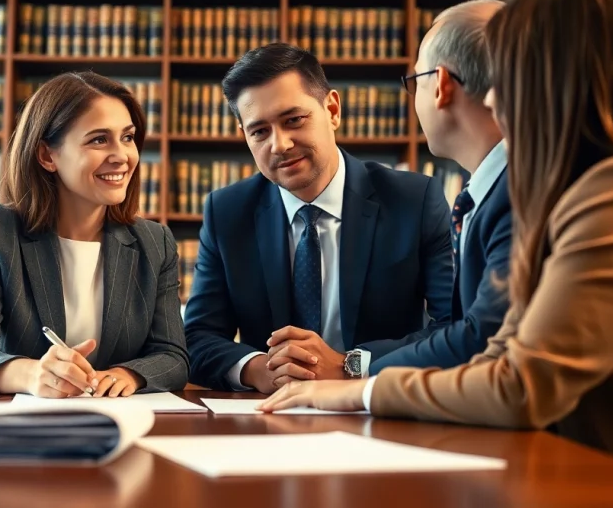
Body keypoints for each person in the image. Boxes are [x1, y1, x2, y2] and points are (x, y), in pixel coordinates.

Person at [258, 0, 613, 489]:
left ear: (559, 79)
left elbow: (519, 385)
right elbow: (501, 353)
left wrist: (352, 388)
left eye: (509, 77)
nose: (494, 101)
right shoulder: (590, 189)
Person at [183, 43, 455, 393]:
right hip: (269, 414)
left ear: (332, 110)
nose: (279, 144)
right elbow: (197, 337)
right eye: (260, 131)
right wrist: (257, 368)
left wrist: (350, 366)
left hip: (378, 403)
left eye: (293, 120)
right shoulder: (227, 212)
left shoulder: (413, 201)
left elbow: (453, 327)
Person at [0, 71, 189, 398]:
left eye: (128, 137)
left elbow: (173, 357)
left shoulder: (155, 243)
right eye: (99, 139)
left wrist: (128, 374)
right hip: (21, 427)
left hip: (120, 421)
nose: (122, 156)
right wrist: (32, 374)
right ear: (47, 155)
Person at [366, 0, 512, 374]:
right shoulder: (488, 191)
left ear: (441, 84)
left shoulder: (519, 194)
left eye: (415, 80)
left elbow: (479, 337)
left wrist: (353, 375)